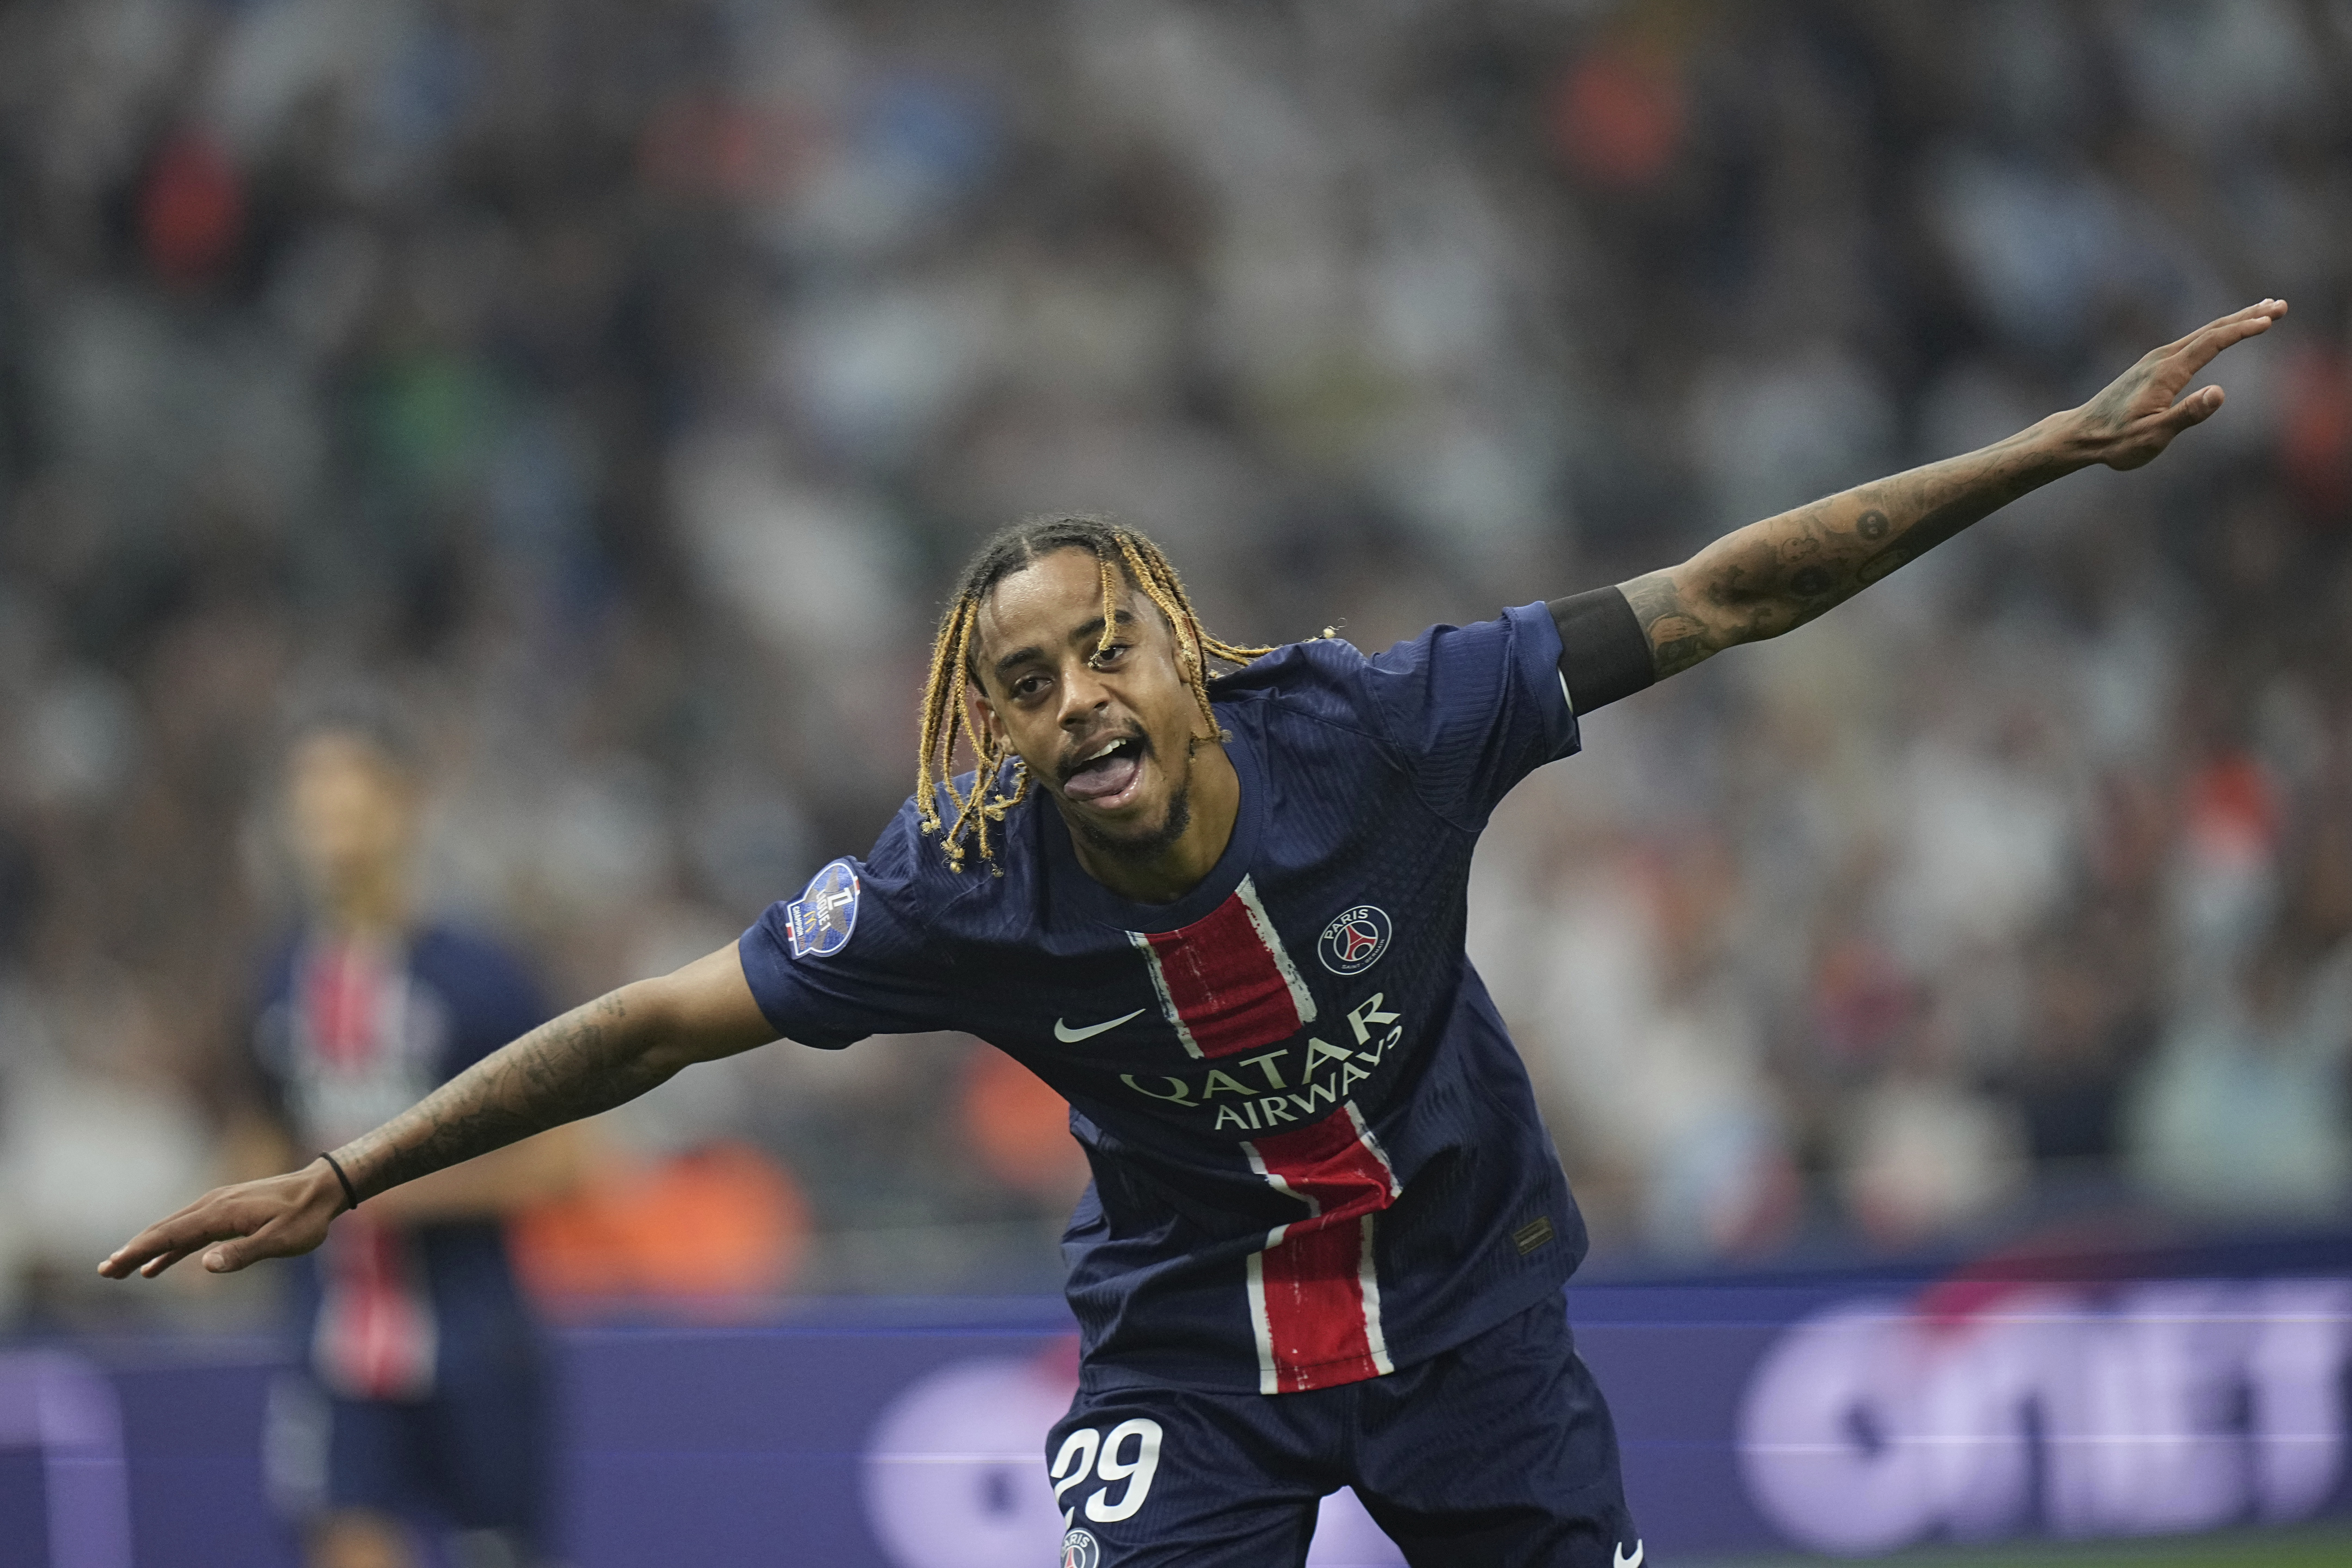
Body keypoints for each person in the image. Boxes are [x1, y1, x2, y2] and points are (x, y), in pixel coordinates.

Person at [105, 301, 2286, 1567]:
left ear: (1176, 638)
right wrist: (351, 1170)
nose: (1075, 705)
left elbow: (1725, 592)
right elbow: (665, 1023)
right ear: (997, 729)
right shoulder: (957, 881)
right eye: (1023, 685)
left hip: (1464, 1310)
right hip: (1190, 1357)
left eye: (1101, 651)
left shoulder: (1385, 727)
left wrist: (2050, 447)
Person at [242, 715, 585, 1568]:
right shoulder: (277, 982)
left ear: (404, 808)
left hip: (476, 1339)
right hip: (334, 1344)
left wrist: (375, 1187)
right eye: (311, 804)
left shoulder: (476, 976)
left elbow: (571, 1159)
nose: (329, 827)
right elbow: (259, 1139)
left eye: (350, 800)